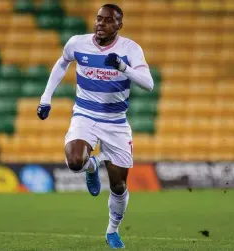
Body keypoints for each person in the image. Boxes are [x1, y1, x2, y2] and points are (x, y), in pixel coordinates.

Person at [36, 4, 154, 249]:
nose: (101, 23)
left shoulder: (130, 49)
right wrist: (46, 98)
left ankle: (112, 231)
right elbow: (61, 63)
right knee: (75, 161)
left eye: (108, 20)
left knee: (118, 185)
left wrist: (123, 67)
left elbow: (148, 83)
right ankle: (92, 166)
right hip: (85, 115)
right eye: (98, 19)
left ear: (119, 25)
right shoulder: (77, 43)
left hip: (116, 122)